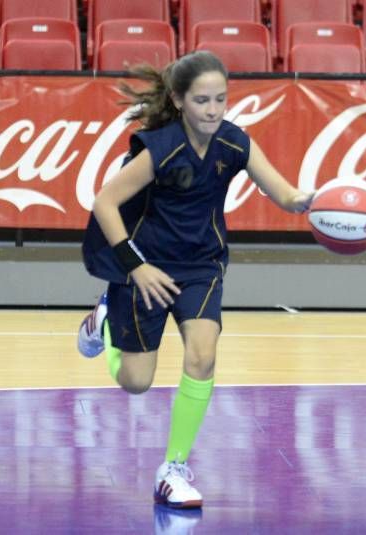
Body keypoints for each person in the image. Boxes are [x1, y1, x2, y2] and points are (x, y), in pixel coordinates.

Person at [77, 51, 313, 509]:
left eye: (220, 99)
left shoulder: (234, 143)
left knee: (202, 357)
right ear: (179, 100)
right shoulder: (161, 147)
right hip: (146, 269)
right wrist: (134, 266)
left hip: (203, 266)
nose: (212, 109)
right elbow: (104, 203)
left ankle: (174, 468)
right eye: (202, 100)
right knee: (135, 381)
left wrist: (312, 202)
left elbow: (283, 192)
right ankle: (103, 324)